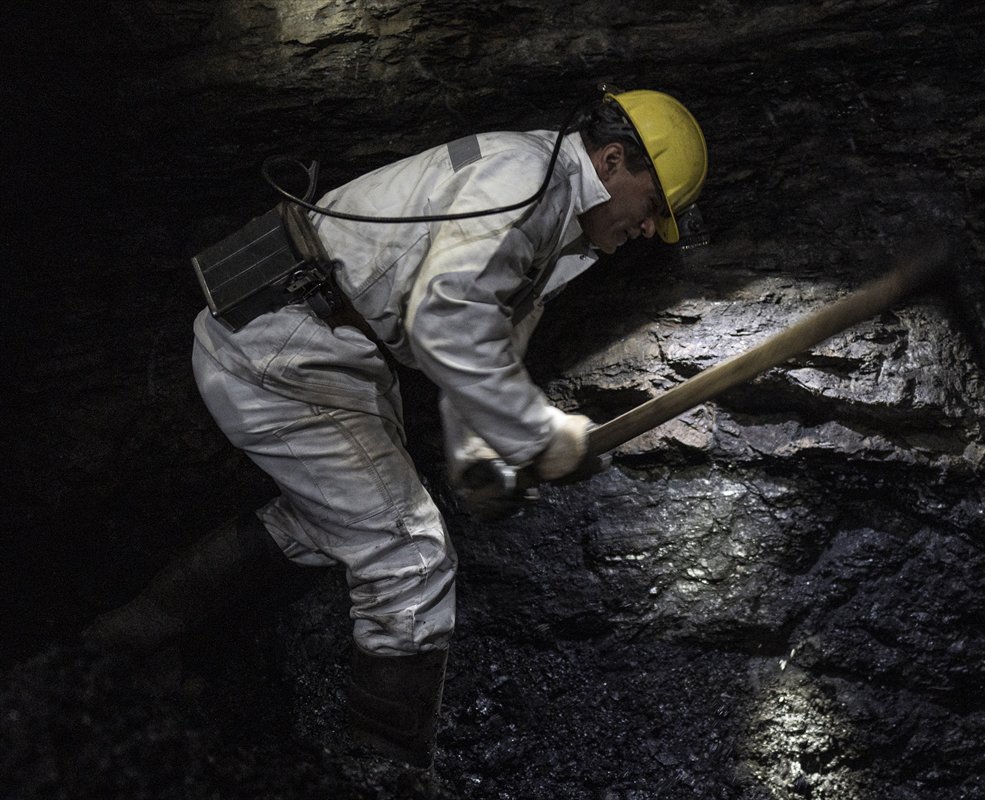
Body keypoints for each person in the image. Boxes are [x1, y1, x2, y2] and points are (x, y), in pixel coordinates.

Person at [85, 88, 707, 777]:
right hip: (284, 348)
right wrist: (539, 435)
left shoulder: (553, 220)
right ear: (613, 160)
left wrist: (477, 457)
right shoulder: (523, 183)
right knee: (408, 555)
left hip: (325, 351)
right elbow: (445, 327)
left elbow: (482, 341)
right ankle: (384, 773)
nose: (650, 229)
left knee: (332, 523)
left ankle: (123, 645)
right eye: (653, 207)